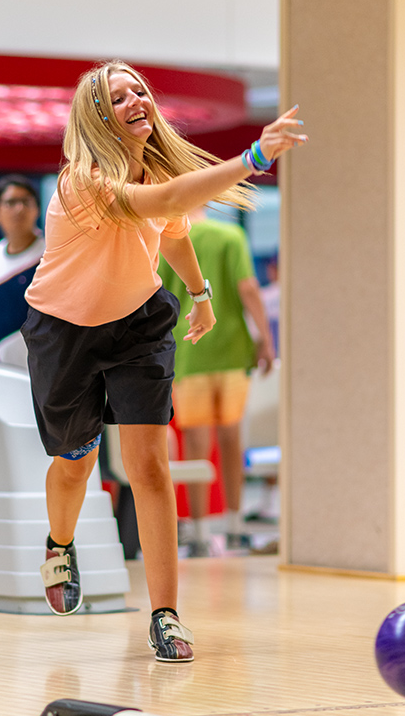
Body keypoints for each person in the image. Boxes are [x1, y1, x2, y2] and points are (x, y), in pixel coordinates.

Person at [20, 60, 305, 662]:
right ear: (97, 117)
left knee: (149, 464)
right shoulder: (84, 182)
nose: (135, 102)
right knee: (76, 461)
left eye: (140, 91)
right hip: (63, 332)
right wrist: (253, 157)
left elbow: (173, 230)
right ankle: (59, 543)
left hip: (138, 325)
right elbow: (172, 199)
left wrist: (200, 295)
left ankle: (166, 615)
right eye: (118, 98)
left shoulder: (152, 167)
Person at [157, 207, 275, 556]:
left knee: (196, 441)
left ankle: (198, 532)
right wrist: (265, 340)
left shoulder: (167, 238)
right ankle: (237, 526)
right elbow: (249, 289)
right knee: (230, 437)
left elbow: (158, 293)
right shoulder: (230, 236)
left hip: (188, 351)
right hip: (232, 352)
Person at [0, 175, 45, 369]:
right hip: (3, 369)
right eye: (11, 202)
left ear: (37, 209)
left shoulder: (52, 253)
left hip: (45, 369)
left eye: (26, 202)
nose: (19, 209)